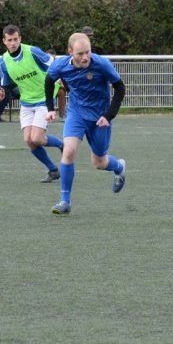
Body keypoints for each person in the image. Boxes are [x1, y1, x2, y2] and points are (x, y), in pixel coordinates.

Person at [43, 31, 128, 215]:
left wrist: (108, 115)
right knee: (69, 150)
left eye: (88, 52)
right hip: (77, 113)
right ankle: (64, 201)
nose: (85, 57)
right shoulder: (61, 65)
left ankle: (119, 167)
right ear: (70, 52)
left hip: (100, 117)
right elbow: (49, 81)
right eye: (80, 53)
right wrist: (50, 108)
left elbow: (120, 88)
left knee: (99, 162)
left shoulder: (102, 64)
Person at [0, 25, 65, 183]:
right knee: (29, 141)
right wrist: (0, 93)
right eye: (9, 40)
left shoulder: (33, 52)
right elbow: (4, 85)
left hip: (43, 99)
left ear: (20, 38)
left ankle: (62, 145)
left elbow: (53, 64)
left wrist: (59, 78)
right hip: (26, 102)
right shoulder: (4, 61)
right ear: (4, 41)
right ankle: (53, 170)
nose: (13, 43)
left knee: (37, 138)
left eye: (15, 39)